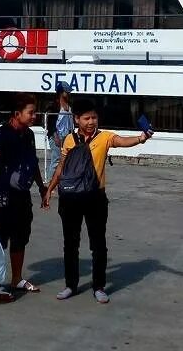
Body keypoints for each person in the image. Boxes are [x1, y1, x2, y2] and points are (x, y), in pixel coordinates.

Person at [44, 99, 153, 304]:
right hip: (70, 198)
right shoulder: (69, 140)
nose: (91, 121)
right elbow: (61, 167)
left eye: (94, 117)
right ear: (76, 119)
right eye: (86, 118)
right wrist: (50, 189)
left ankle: (99, 286)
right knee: (70, 244)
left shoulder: (104, 138)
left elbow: (121, 141)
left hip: (95, 198)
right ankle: (70, 285)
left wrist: (141, 138)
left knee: (98, 244)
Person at [0, 93, 48, 302]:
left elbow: (33, 163)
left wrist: (41, 187)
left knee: (20, 237)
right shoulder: (0, 135)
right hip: (1, 195)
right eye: (31, 112)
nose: (34, 116)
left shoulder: (28, 135)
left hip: (22, 195)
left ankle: (16, 278)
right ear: (17, 114)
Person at [45, 82, 73, 181]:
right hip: (57, 136)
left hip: (66, 136)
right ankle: (50, 181)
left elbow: (70, 123)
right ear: (61, 93)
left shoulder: (69, 106)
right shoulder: (54, 106)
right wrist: (55, 135)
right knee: (56, 159)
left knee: (66, 160)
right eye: (67, 92)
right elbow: (51, 123)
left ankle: (61, 180)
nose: (69, 94)